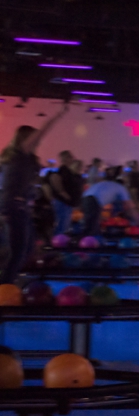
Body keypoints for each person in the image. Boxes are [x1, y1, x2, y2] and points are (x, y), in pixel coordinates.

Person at [0, 104, 68, 283]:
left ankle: (9, 279)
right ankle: (5, 286)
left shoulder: (22, 160)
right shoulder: (19, 154)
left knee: (27, 246)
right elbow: (42, 132)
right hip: (13, 206)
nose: (38, 141)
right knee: (19, 251)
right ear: (24, 139)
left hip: (17, 206)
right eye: (33, 138)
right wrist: (59, 114)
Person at [81, 166, 139, 235]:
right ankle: (84, 242)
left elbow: (98, 200)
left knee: (91, 225)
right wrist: (138, 220)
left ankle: (87, 240)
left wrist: (100, 216)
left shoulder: (110, 184)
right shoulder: (122, 188)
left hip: (85, 198)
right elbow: (130, 207)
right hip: (92, 200)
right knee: (91, 229)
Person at [48, 150, 84, 235]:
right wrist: (62, 192)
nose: (72, 159)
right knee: (62, 225)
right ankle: (57, 243)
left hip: (66, 203)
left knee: (63, 225)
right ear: (66, 158)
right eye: (70, 157)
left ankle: (58, 242)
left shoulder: (68, 171)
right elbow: (54, 178)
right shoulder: (64, 170)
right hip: (63, 203)